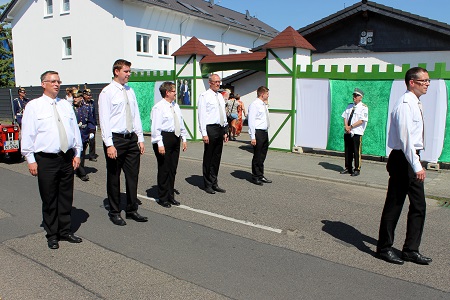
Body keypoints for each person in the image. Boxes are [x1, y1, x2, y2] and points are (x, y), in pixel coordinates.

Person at [21, 71, 83, 249]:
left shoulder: (65, 105)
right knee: (49, 197)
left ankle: (65, 231)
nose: (57, 84)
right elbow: (28, 133)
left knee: (65, 196)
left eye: (58, 81)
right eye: (53, 81)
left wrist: (77, 153)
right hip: (46, 159)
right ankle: (52, 234)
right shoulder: (34, 106)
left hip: (66, 157)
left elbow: (73, 131)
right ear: (43, 84)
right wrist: (30, 159)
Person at [376, 67, 432, 265]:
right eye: (423, 81)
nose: (427, 84)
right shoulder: (405, 104)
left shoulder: (416, 103)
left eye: (428, 81)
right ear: (411, 82)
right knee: (395, 205)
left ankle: (410, 250)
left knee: (419, 206)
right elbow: (406, 138)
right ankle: (384, 248)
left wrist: (417, 162)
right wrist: (417, 166)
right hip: (403, 159)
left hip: (412, 157)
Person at [98, 59, 148, 226]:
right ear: (116, 71)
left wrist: (140, 138)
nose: (128, 74)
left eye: (129, 71)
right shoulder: (107, 92)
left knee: (132, 175)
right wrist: (109, 144)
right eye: (126, 71)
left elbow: (135, 116)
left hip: (131, 138)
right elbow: (104, 120)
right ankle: (114, 211)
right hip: (116, 139)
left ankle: (132, 209)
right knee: (114, 176)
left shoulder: (130, 91)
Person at [151, 82, 188, 208]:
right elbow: (156, 127)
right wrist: (160, 144)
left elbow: (180, 122)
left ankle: (170, 196)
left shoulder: (175, 106)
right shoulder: (158, 107)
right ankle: (163, 197)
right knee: (164, 169)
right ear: (167, 92)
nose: (175, 93)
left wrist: (184, 138)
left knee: (172, 169)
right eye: (173, 91)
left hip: (175, 137)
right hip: (163, 138)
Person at [198, 74, 228, 194]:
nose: (218, 84)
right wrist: (204, 133)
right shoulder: (204, 96)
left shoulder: (220, 96)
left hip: (220, 128)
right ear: (210, 83)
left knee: (217, 157)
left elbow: (223, 114)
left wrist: (225, 131)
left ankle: (214, 182)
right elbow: (201, 116)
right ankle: (207, 184)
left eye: (219, 82)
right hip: (210, 129)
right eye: (215, 82)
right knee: (209, 157)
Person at [340, 88, 368, 176]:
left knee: (356, 151)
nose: (354, 97)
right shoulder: (349, 106)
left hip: (356, 132)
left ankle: (357, 169)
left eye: (356, 96)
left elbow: (361, 121)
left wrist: (351, 127)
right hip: (348, 132)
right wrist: (346, 127)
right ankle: (348, 167)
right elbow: (345, 116)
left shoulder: (363, 108)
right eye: (354, 95)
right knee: (348, 151)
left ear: (361, 97)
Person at [248, 86, 272, 185]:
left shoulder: (263, 104)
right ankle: (255, 176)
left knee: (262, 154)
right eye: (267, 94)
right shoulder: (255, 104)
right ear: (262, 94)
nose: (268, 95)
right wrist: (252, 136)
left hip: (264, 132)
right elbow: (252, 121)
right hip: (258, 132)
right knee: (257, 155)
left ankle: (260, 175)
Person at [73, 89, 95, 182]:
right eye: (74, 97)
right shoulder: (70, 109)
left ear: (81, 98)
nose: (75, 99)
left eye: (77, 97)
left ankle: (78, 169)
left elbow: (90, 120)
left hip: (84, 134)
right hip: (74, 135)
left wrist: (91, 131)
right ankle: (82, 173)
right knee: (78, 154)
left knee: (82, 154)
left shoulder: (86, 108)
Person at [83, 86, 98, 162]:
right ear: (84, 95)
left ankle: (92, 156)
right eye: (88, 95)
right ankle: (81, 155)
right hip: (84, 125)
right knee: (84, 141)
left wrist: (96, 124)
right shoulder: (81, 103)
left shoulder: (92, 103)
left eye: (90, 95)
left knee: (92, 141)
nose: (89, 97)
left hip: (91, 124)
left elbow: (94, 113)